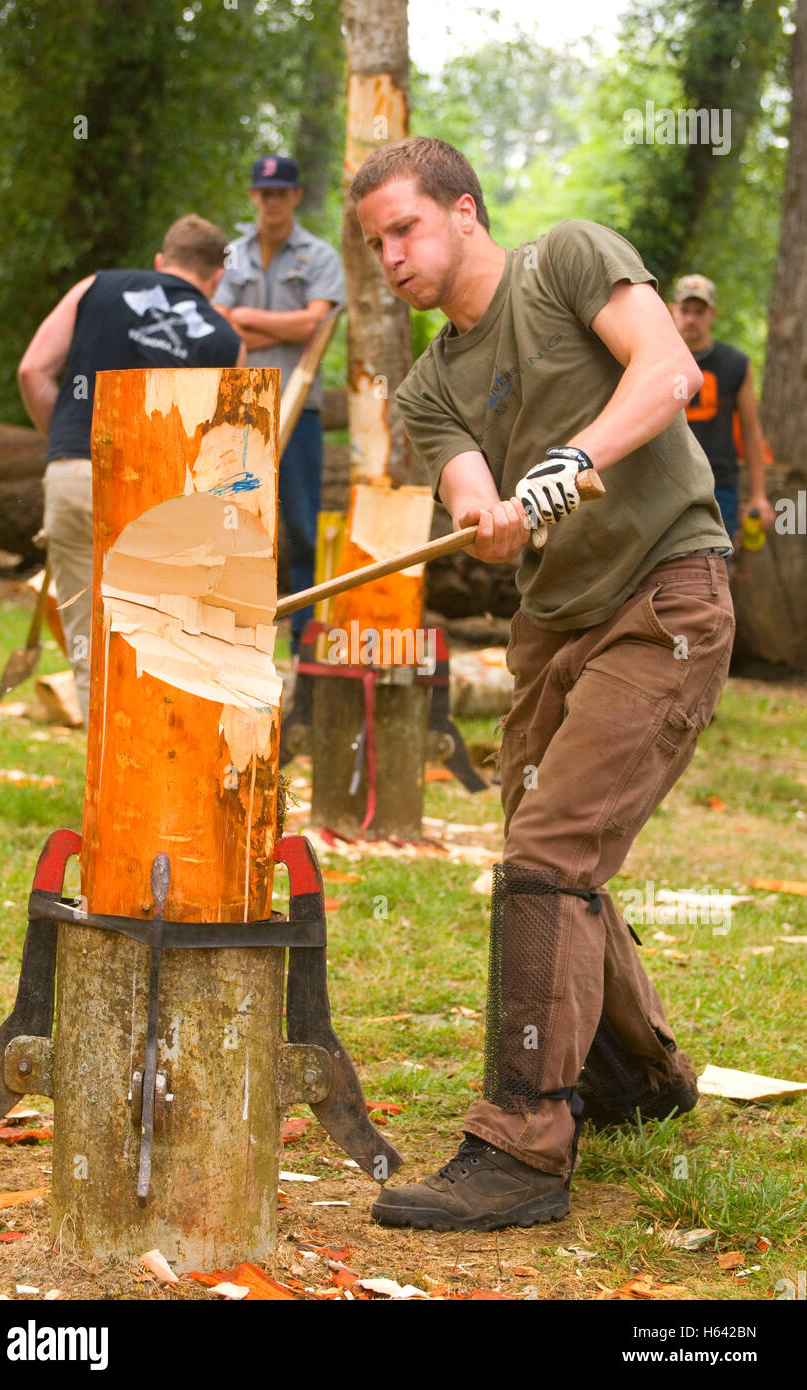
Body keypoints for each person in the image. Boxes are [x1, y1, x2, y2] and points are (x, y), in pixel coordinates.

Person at [350, 136, 735, 1233]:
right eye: (376, 242)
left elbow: (670, 372)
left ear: (463, 211)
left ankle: (521, 1146)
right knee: (548, 857)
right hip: (549, 626)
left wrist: (571, 461)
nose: (391, 256)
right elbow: (480, 505)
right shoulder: (428, 386)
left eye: (406, 228)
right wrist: (487, 514)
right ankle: (638, 1076)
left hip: (665, 594)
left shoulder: (565, 261)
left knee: (548, 854)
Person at [17, 215, 244, 721]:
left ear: (162, 261)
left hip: (76, 472)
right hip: (163, 496)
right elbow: (226, 448)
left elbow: (32, 371)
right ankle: (152, 777)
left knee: (90, 645)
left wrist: (67, 442)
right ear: (216, 277)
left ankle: (101, 790)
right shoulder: (226, 340)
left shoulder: (95, 287)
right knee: (162, 644)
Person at [213, 155, 345, 654]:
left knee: (301, 526)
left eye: (280, 193)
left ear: (295, 196)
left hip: (299, 409)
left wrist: (244, 317)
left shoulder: (318, 256)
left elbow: (315, 324)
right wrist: (280, 322)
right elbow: (219, 322)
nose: (271, 202)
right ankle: (238, 635)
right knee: (237, 519)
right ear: (254, 197)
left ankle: (305, 638)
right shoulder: (232, 253)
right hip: (239, 407)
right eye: (263, 193)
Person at [670, 274, 775, 542]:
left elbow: (751, 432)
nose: (691, 318)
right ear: (672, 310)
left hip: (718, 483)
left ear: (712, 315)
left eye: (699, 311)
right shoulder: (656, 360)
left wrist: (759, 495)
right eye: (685, 310)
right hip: (665, 481)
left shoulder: (735, 364)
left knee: (716, 569)